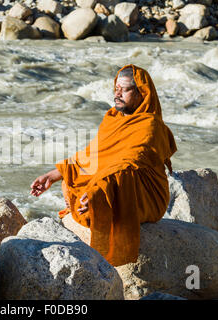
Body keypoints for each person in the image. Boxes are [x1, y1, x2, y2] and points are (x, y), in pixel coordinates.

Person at [30, 64, 177, 267]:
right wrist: (53, 175)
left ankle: (97, 204)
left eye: (124, 89)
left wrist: (98, 192)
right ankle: (93, 201)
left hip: (143, 195)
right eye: (116, 88)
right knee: (69, 182)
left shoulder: (151, 126)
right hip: (111, 182)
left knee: (109, 187)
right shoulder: (112, 118)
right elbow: (92, 156)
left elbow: (128, 164)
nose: (117, 94)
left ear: (142, 93)